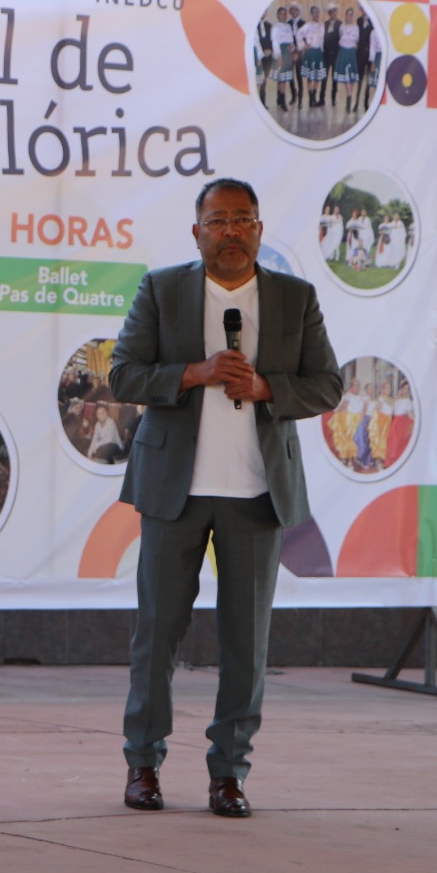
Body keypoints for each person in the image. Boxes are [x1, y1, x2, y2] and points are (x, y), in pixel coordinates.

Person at [107, 177, 340, 818]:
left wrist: (268, 388)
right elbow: (122, 372)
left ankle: (229, 774)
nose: (231, 231)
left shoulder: (295, 298)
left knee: (247, 643)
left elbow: (328, 385)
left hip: (257, 494)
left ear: (260, 231)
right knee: (156, 635)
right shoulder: (163, 289)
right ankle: (143, 765)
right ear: (197, 231)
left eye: (243, 220)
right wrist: (197, 373)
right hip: (172, 492)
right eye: (218, 220)